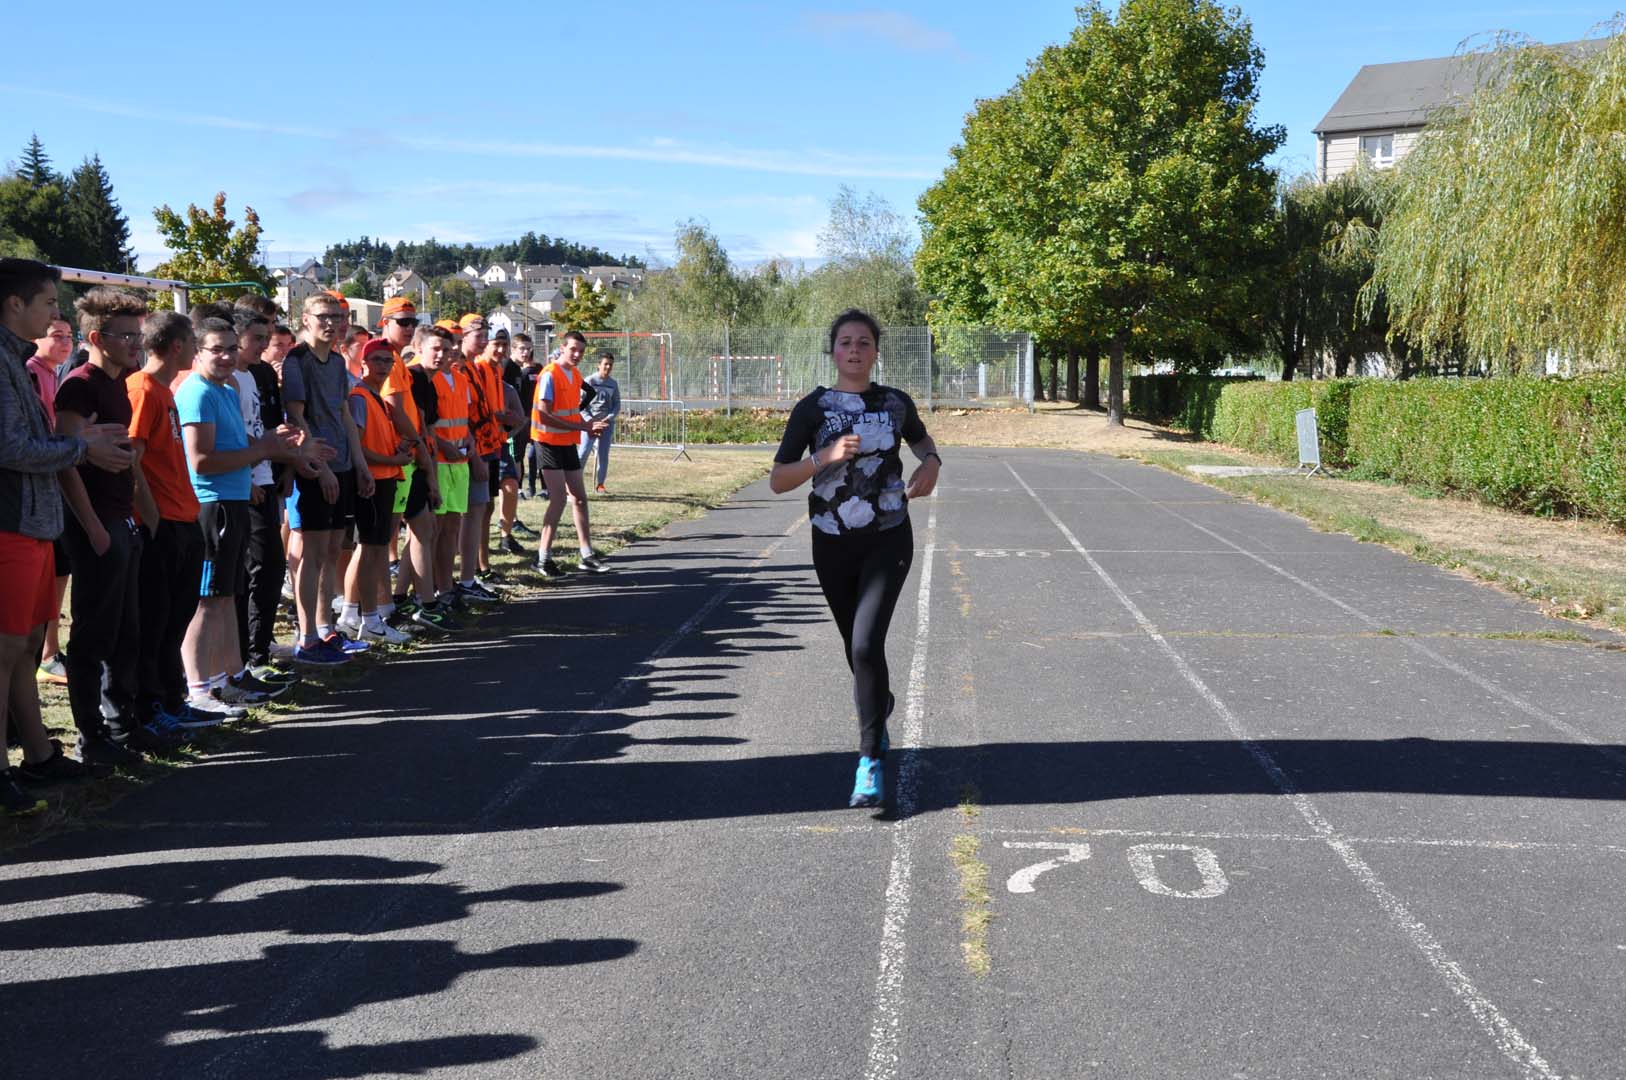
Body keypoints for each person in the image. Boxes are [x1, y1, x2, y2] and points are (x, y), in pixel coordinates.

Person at [769, 309, 940, 808]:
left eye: (864, 342)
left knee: (866, 645)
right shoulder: (813, 409)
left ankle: (869, 758)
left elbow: (922, 439)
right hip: (832, 540)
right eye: (845, 342)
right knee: (855, 648)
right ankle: (879, 704)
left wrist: (931, 463)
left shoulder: (894, 403)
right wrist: (824, 457)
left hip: (889, 536)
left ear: (875, 352)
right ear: (833, 351)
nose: (855, 350)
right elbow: (779, 479)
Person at [1, 259, 136, 812]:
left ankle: (38, 756)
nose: (57, 312)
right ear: (15, 304)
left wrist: (89, 445)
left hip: (32, 525)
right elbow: (11, 448)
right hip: (10, 525)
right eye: (48, 302)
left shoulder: (17, 359)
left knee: (28, 648)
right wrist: (84, 448)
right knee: (7, 651)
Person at [176, 316, 304, 718]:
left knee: (227, 596)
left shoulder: (226, 390)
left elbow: (244, 444)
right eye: (217, 349)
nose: (228, 356)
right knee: (208, 601)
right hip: (212, 506)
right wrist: (262, 450)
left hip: (234, 501)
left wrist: (282, 449)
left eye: (232, 347)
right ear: (197, 351)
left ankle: (229, 678)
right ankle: (199, 687)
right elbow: (201, 460)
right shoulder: (197, 393)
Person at [54, 288, 153, 762]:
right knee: (93, 635)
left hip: (121, 520)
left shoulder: (120, 381)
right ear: (97, 337)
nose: (137, 344)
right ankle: (91, 738)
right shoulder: (79, 384)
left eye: (139, 335)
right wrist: (92, 528)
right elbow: (65, 461)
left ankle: (122, 727)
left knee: (126, 632)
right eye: (127, 335)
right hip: (96, 525)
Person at [128, 312, 211, 735]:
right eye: (193, 341)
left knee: (175, 619)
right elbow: (132, 461)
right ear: (176, 344)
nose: (197, 349)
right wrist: (153, 518)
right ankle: (152, 705)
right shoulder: (142, 389)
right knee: (156, 622)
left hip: (183, 518)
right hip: (161, 524)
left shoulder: (163, 390)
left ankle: (173, 700)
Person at [282, 292, 372, 665]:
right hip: (316, 469)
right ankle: (306, 638)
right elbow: (296, 418)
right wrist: (320, 470)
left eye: (338, 316)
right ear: (306, 318)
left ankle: (325, 629)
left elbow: (344, 415)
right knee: (313, 555)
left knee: (333, 552)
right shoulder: (297, 361)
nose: (331, 323)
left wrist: (361, 464)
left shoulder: (336, 362)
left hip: (345, 466)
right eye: (323, 316)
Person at [230, 298, 298, 687]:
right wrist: (253, 476)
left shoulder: (257, 376)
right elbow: (235, 438)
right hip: (245, 484)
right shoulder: (227, 380)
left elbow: (264, 430)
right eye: (257, 337)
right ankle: (248, 656)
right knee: (256, 571)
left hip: (262, 478)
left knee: (269, 569)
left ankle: (257, 649)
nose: (263, 345)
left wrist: (286, 460)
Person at [337, 339, 412, 644]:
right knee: (367, 550)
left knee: (375, 549)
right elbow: (359, 447)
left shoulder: (376, 397)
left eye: (388, 361)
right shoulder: (359, 397)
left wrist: (398, 450)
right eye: (377, 360)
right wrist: (393, 459)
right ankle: (361, 616)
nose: (383, 366)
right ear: (364, 363)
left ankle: (360, 614)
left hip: (384, 479)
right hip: (372, 481)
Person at [530, 330, 609, 580]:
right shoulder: (549, 374)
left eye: (581, 352)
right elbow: (543, 414)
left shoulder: (574, 374)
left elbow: (571, 410)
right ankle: (543, 558)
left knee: (580, 498)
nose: (577, 355)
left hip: (566, 442)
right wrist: (583, 426)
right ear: (562, 348)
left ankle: (587, 555)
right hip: (548, 442)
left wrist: (587, 423)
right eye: (573, 349)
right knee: (558, 500)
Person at [28, 316, 74, 686]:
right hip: (40, 488)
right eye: (56, 336)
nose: (64, 342)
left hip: (57, 484)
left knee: (58, 573)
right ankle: (46, 654)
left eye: (68, 336)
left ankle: (49, 650)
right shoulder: (30, 372)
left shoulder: (53, 373)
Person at [453, 314, 503, 602]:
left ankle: (470, 576)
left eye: (486, 334)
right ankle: (465, 578)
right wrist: (476, 457)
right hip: (470, 453)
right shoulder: (460, 368)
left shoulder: (474, 368)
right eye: (478, 334)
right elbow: (464, 419)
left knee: (480, 510)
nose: (484, 340)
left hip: (487, 447)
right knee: (467, 515)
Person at [579, 350, 621, 494]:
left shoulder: (613, 384)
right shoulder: (589, 381)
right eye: (605, 364)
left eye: (610, 365)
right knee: (583, 453)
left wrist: (609, 417)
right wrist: (589, 420)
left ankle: (600, 485)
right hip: (589, 424)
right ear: (599, 365)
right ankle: (575, 484)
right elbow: (580, 404)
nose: (608, 367)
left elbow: (616, 404)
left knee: (603, 455)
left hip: (606, 424)